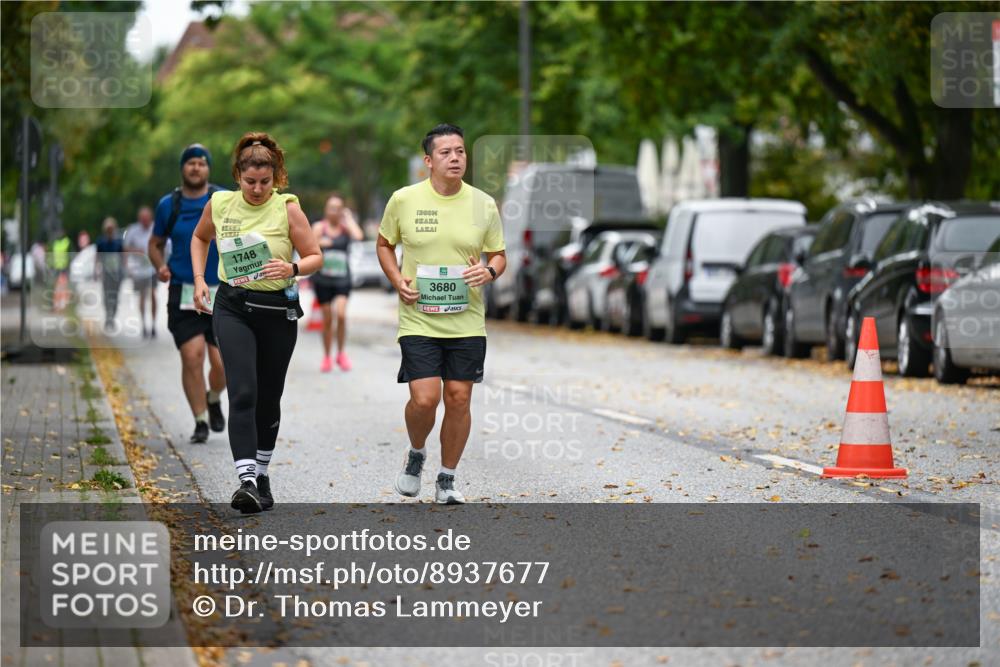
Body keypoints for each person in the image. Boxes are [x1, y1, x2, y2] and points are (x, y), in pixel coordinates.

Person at [191, 132, 321, 514]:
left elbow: (315, 256)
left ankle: (262, 473)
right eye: (250, 182)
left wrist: (293, 267)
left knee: (268, 397)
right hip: (233, 306)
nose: (258, 189)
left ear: (276, 176)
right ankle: (246, 480)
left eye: (265, 182)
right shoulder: (219, 204)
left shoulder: (288, 209)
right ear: (237, 175)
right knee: (243, 391)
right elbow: (200, 239)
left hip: (277, 311)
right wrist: (201, 280)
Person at [376, 123, 506, 505]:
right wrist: (397, 278)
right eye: (446, 152)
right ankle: (417, 453)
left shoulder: (483, 204)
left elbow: (498, 253)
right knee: (425, 399)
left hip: (466, 317)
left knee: (459, 397)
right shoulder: (404, 200)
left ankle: (447, 479)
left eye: (461, 151)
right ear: (429, 161)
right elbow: (384, 244)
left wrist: (490, 270)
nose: (455, 158)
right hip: (419, 315)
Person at [148, 144, 227, 443]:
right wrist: (160, 267)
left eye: (201, 163)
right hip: (182, 289)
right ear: (183, 168)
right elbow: (154, 244)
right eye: (191, 163)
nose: (196, 168)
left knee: (223, 364)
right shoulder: (169, 205)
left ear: (208, 169)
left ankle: (214, 397)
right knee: (192, 357)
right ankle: (200, 421)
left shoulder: (222, 200)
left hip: (221, 290)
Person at [311, 194, 364, 372]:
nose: (334, 211)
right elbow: (307, 244)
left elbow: (359, 235)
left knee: (341, 315)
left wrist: (348, 218)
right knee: (327, 319)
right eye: (331, 208)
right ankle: (327, 356)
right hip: (323, 280)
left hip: (342, 278)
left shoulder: (345, 228)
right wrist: (320, 243)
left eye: (338, 208)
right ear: (326, 210)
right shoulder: (320, 227)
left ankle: (341, 354)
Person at [124, 206, 157, 337]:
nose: (145, 222)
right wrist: (136, 252)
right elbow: (125, 248)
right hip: (139, 270)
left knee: (153, 293)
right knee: (143, 295)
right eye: (142, 219)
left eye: (147, 219)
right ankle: (144, 324)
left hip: (153, 267)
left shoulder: (156, 228)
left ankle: (153, 324)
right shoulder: (133, 230)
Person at [94, 217, 123, 332]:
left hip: (117, 273)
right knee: (106, 295)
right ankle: (108, 316)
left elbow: (123, 256)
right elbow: (97, 257)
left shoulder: (119, 242)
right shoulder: (101, 242)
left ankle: (112, 317)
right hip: (106, 273)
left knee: (115, 296)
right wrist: (96, 270)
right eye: (108, 229)